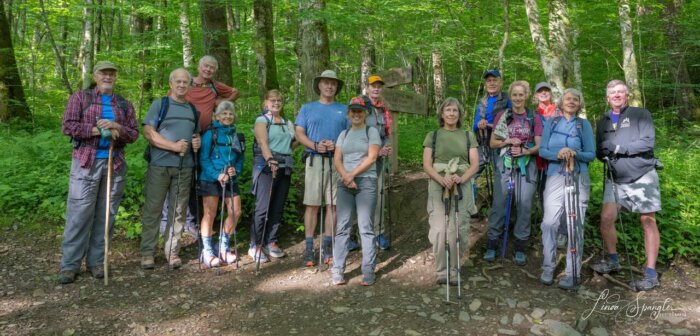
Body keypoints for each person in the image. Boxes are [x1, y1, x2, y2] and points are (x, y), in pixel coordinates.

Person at [58, 61, 139, 284]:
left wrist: (116, 127)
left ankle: (97, 262)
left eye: (112, 74)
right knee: (80, 213)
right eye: (104, 73)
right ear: (95, 75)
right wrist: (97, 130)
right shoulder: (80, 98)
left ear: (116, 77)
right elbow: (68, 126)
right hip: (86, 163)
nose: (108, 77)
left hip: (115, 164)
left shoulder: (123, 104)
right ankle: (70, 265)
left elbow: (133, 134)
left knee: (106, 216)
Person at [592, 80, 662, 291]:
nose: (616, 95)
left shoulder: (641, 114)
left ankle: (650, 272)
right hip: (614, 178)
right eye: (612, 92)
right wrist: (603, 153)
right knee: (606, 218)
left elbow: (647, 142)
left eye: (620, 92)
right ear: (607, 97)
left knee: (647, 220)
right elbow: (599, 151)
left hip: (642, 175)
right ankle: (613, 260)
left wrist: (619, 147)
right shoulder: (603, 120)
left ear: (627, 95)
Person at [160, 55, 240, 238]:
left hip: (203, 138)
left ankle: (192, 221)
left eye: (212, 67)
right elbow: (169, 102)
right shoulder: (187, 82)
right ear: (199, 66)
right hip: (179, 137)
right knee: (175, 174)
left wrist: (218, 103)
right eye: (206, 66)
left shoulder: (215, 86)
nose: (208, 69)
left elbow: (235, 92)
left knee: (196, 176)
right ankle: (167, 220)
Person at [140, 68, 201, 270]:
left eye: (186, 82)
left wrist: (196, 143)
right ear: (171, 83)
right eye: (178, 81)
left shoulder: (192, 110)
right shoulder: (160, 105)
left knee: (178, 211)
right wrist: (173, 146)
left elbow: (195, 135)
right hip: (160, 165)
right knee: (153, 210)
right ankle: (147, 253)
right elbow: (148, 133)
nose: (182, 85)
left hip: (185, 167)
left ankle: (172, 252)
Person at [538, 88, 595, 289]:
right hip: (555, 175)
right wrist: (558, 153)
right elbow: (543, 150)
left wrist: (574, 152)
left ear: (579, 104)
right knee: (549, 222)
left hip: (578, 176)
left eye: (575, 99)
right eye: (567, 98)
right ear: (561, 103)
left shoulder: (583, 125)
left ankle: (572, 272)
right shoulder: (552, 123)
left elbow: (591, 154)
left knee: (575, 224)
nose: (571, 101)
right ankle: (548, 265)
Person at [483, 80, 543, 266]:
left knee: (524, 205)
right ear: (511, 96)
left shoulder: (534, 117)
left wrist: (525, 150)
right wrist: (508, 141)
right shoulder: (503, 115)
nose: (518, 98)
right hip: (505, 162)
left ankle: (520, 247)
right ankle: (492, 243)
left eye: (521, 94)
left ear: (526, 96)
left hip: (527, 164)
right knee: (499, 203)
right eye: (514, 95)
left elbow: (540, 145)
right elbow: (493, 143)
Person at [423, 97, 479, 285]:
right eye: (448, 110)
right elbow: (427, 164)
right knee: (440, 229)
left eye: (455, 110)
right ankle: (441, 270)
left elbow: (475, 164)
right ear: (442, 113)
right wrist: (441, 179)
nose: (451, 114)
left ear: (459, 114)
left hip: (461, 184)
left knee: (459, 230)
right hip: (438, 184)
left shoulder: (467, 135)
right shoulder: (433, 135)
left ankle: (454, 269)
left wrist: (461, 178)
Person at [295, 70, 348, 267]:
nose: (329, 86)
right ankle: (309, 247)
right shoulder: (307, 108)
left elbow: (350, 134)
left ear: (336, 87)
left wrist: (337, 146)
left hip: (336, 161)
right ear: (319, 85)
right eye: (326, 83)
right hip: (314, 159)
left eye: (333, 84)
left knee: (333, 205)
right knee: (312, 204)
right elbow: (299, 133)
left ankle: (327, 245)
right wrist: (315, 145)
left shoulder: (344, 110)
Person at [331, 97, 382, 286]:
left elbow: (372, 157)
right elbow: (337, 159)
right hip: (345, 181)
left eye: (360, 111)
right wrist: (346, 176)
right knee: (342, 226)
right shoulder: (343, 134)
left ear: (365, 113)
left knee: (365, 227)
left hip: (366, 181)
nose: (356, 114)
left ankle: (368, 270)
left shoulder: (372, 132)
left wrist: (351, 175)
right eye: (353, 111)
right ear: (348, 114)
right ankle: (337, 270)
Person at [249, 90, 297, 262]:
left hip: (285, 168)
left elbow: (292, 144)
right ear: (266, 102)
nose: (276, 103)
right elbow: (262, 142)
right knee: (263, 208)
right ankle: (255, 245)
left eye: (279, 100)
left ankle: (271, 241)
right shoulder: (262, 120)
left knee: (278, 206)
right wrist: (270, 159)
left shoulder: (287, 122)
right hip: (266, 167)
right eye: (273, 100)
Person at [198, 101, 244, 268]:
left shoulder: (236, 134)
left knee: (236, 211)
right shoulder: (210, 133)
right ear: (217, 116)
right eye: (224, 113)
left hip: (230, 178)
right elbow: (203, 158)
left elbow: (240, 158)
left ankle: (223, 246)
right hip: (211, 178)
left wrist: (235, 171)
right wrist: (217, 174)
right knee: (210, 213)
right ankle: (207, 250)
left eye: (230, 113)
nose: (227, 116)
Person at [354, 74, 394, 251]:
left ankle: (378, 232)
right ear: (367, 87)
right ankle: (353, 234)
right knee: (356, 195)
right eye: (373, 86)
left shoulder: (383, 109)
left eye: (379, 86)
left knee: (377, 196)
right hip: (358, 160)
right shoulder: (358, 103)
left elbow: (386, 134)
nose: (376, 89)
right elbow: (353, 130)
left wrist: (386, 147)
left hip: (376, 162)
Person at [533, 82, 568, 249]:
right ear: (535, 95)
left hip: (557, 161)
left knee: (560, 198)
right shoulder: (532, 114)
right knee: (543, 196)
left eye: (546, 90)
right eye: (540, 91)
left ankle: (562, 232)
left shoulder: (559, 112)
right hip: (539, 162)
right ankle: (548, 229)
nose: (544, 93)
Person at [473, 70, 512, 204]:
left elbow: (514, 121)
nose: (492, 83)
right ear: (485, 84)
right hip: (483, 143)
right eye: (489, 81)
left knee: (501, 176)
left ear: (500, 82)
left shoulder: (508, 99)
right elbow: (474, 125)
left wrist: (492, 125)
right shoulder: (482, 101)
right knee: (471, 172)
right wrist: (479, 124)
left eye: (494, 80)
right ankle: (471, 206)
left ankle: (501, 209)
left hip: (500, 144)